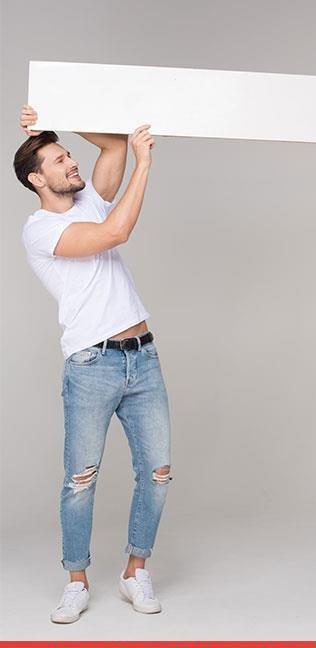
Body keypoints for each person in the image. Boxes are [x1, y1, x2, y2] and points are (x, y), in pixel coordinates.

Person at [15, 106, 171, 622]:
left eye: (68, 154)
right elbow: (114, 234)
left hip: (142, 357)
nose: (71, 162)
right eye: (59, 160)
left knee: (157, 473)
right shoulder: (39, 230)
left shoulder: (90, 201)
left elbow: (113, 147)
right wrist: (146, 166)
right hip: (91, 364)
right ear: (38, 179)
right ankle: (77, 580)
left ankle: (135, 572)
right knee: (80, 480)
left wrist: (56, 114)